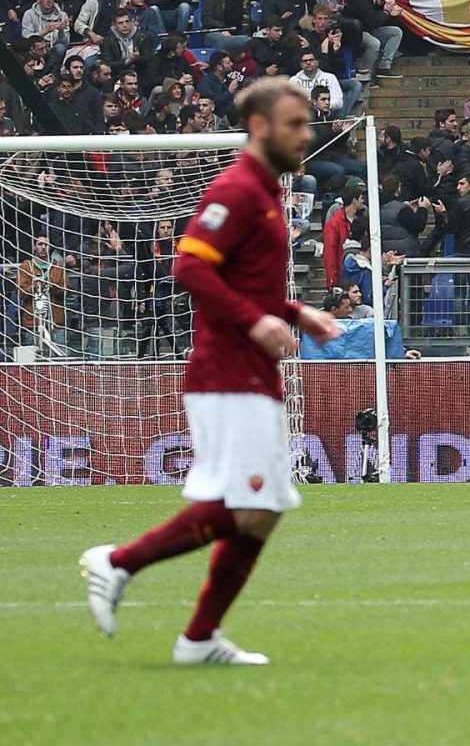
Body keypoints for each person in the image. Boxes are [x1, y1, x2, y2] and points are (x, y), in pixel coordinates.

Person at [81, 78, 341, 665]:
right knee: (247, 507)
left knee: (264, 513)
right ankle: (117, 562)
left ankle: (199, 640)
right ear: (259, 128)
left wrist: (300, 314)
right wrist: (254, 322)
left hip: (254, 374)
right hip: (226, 373)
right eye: (295, 124)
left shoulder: (269, 190)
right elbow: (191, 268)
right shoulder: (237, 188)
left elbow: (249, 284)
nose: (307, 133)